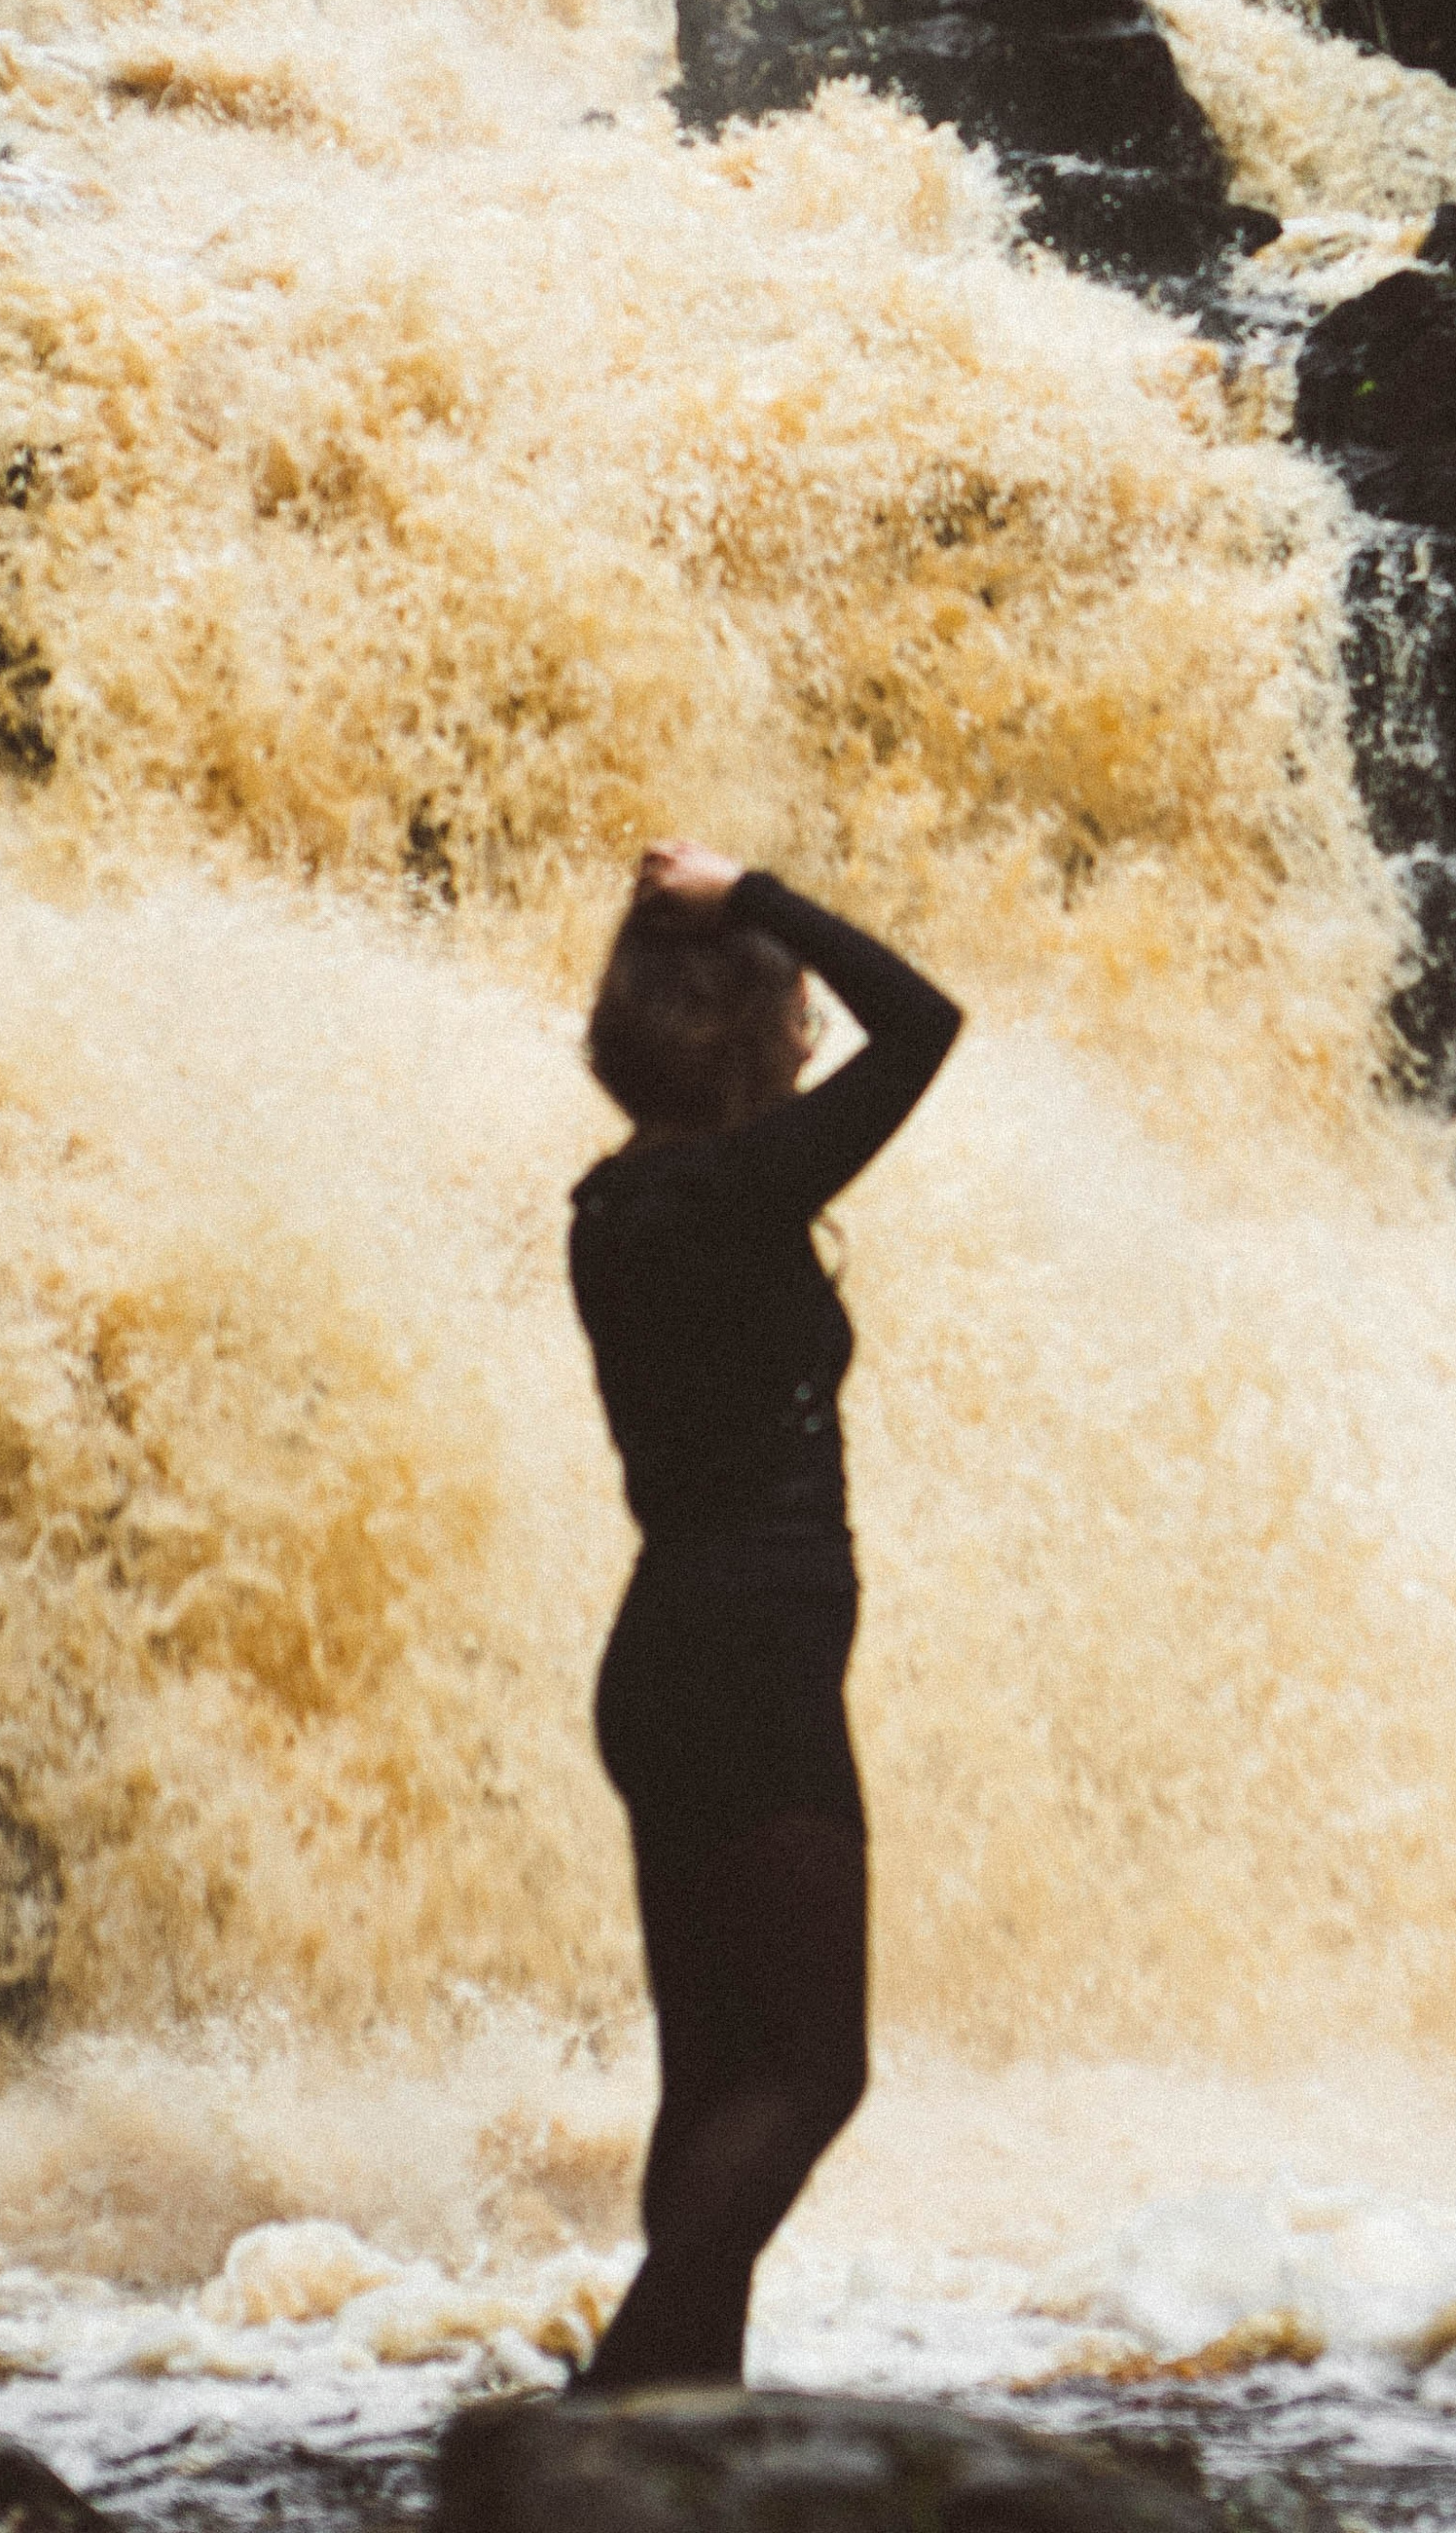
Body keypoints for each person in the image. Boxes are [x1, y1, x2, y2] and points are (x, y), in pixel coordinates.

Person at [564, 838, 962, 2394]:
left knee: (714, 2075)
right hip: (752, 1662)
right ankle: (624, 2396)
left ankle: (682, 2425)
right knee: (812, 2071)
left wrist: (739, 923)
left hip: (668, 1658)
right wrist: (759, 897)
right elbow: (924, 1025)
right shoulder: (735, 1194)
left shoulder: (615, 1205)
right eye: (791, 1004)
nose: (813, 1029)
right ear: (735, 1022)